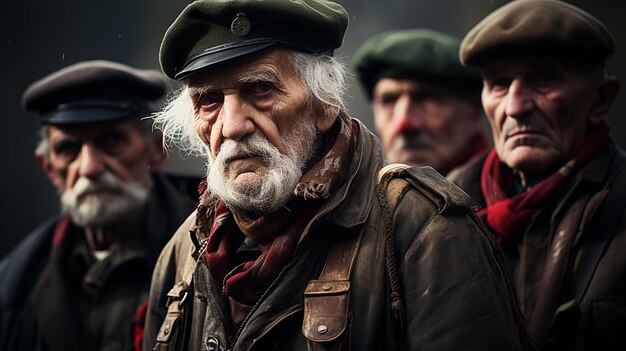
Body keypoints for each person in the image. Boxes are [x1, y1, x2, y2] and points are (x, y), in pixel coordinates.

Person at [142, 1, 526, 350]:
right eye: (209, 101)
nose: (232, 126)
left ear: (324, 105)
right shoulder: (184, 251)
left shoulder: (422, 228)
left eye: (261, 89)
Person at [449, 0, 624, 349]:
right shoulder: (448, 201)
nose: (515, 107)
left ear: (601, 100)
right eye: (499, 84)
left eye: (544, 80)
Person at [0, 60, 197, 351]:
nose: (89, 167)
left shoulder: (216, 247)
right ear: (49, 168)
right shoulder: (15, 283)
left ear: (157, 149)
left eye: (112, 140)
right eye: (68, 148)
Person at [352, 29, 488, 175]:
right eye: (389, 100)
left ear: (474, 110)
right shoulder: (357, 194)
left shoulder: (509, 190)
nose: (404, 124)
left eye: (426, 98)